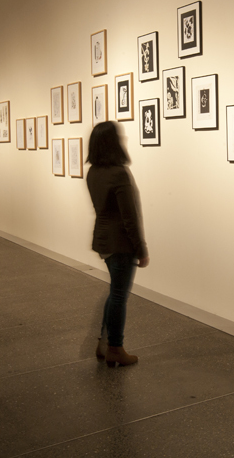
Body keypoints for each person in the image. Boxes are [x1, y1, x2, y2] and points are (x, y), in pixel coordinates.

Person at [86, 121, 149, 367]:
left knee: (115, 292)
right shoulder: (119, 173)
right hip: (120, 241)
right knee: (119, 295)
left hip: (102, 238)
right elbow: (129, 217)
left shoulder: (93, 172)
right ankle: (115, 347)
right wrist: (141, 249)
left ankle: (104, 343)